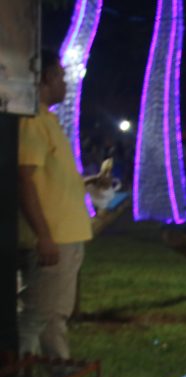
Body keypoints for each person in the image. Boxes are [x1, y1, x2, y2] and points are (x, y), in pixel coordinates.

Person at [17, 48, 111, 360]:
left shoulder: (48, 120)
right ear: (46, 77)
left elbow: (48, 178)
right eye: (61, 76)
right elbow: (25, 180)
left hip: (64, 237)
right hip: (53, 238)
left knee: (52, 314)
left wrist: (88, 182)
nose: (66, 83)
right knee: (39, 315)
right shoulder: (32, 121)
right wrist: (44, 235)